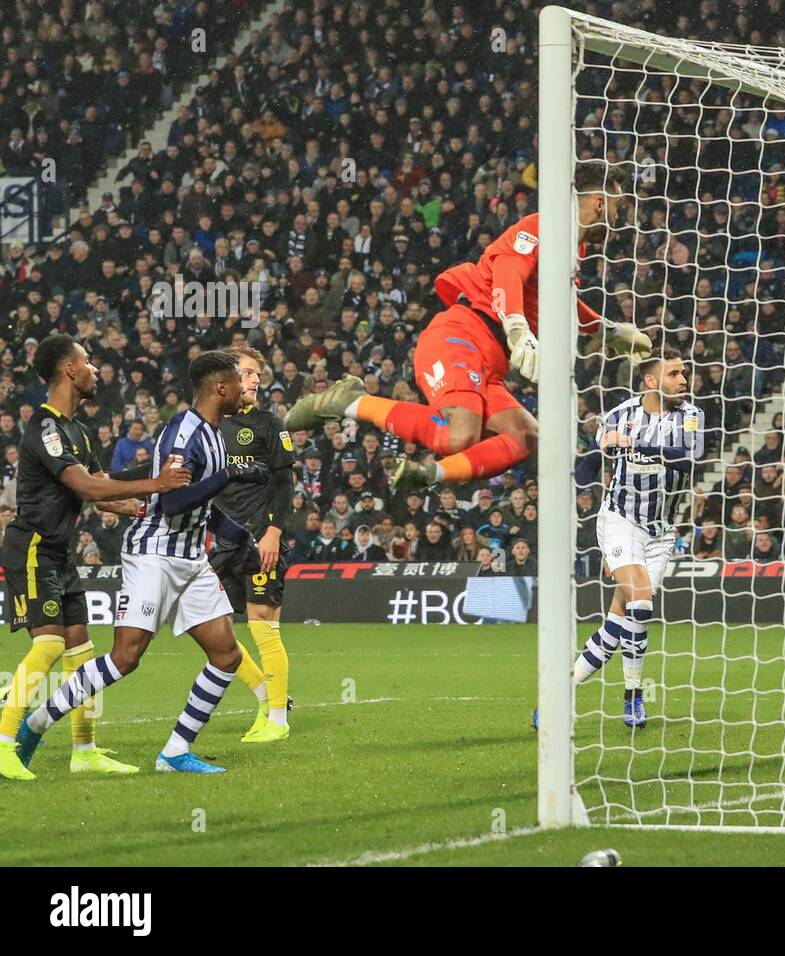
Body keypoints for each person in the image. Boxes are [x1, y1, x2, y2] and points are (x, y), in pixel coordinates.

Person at [284, 162, 652, 486]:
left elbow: (560, 304)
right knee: (460, 434)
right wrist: (517, 328)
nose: (621, 217)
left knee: (528, 437)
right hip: (461, 336)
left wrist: (608, 330)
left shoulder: (575, 249)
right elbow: (510, 271)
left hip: (489, 360)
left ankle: (431, 474)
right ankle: (352, 402)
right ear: (601, 202)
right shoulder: (542, 226)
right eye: (619, 206)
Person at [14, 351, 271, 775]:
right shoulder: (183, 433)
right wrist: (229, 477)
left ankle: (174, 752)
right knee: (126, 657)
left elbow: (203, 507)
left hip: (191, 557)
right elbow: (171, 502)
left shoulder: (216, 435)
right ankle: (37, 722)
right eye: (239, 382)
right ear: (220, 387)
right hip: (154, 553)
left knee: (226, 655)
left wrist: (241, 538)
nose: (247, 389)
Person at [0, 335, 191, 781]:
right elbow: (87, 489)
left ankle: (83, 750)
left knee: (81, 652)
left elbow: (108, 496)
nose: (94, 368)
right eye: (87, 361)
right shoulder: (45, 428)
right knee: (48, 644)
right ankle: (5, 740)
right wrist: (156, 483)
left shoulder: (80, 432)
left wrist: (155, 504)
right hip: (31, 548)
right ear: (69, 370)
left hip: (59, 553)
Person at [541, 347, 702, 729]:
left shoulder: (691, 416)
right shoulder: (618, 416)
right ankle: (633, 697)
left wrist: (636, 446)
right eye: (674, 374)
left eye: (684, 373)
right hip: (620, 520)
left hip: (660, 532)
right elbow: (592, 461)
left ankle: (555, 699)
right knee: (642, 605)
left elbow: (689, 458)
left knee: (622, 617)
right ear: (650, 381)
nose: (683, 380)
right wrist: (576, 483)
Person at [209, 346, 295, 744]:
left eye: (257, 373)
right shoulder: (209, 426)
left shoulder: (270, 424)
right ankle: (267, 695)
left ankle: (277, 719)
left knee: (264, 626)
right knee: (216, 631)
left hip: (261, 538)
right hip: (222, 542)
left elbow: (283, 482)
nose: (255, 379)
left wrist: (274, 530)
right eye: (246, 373)